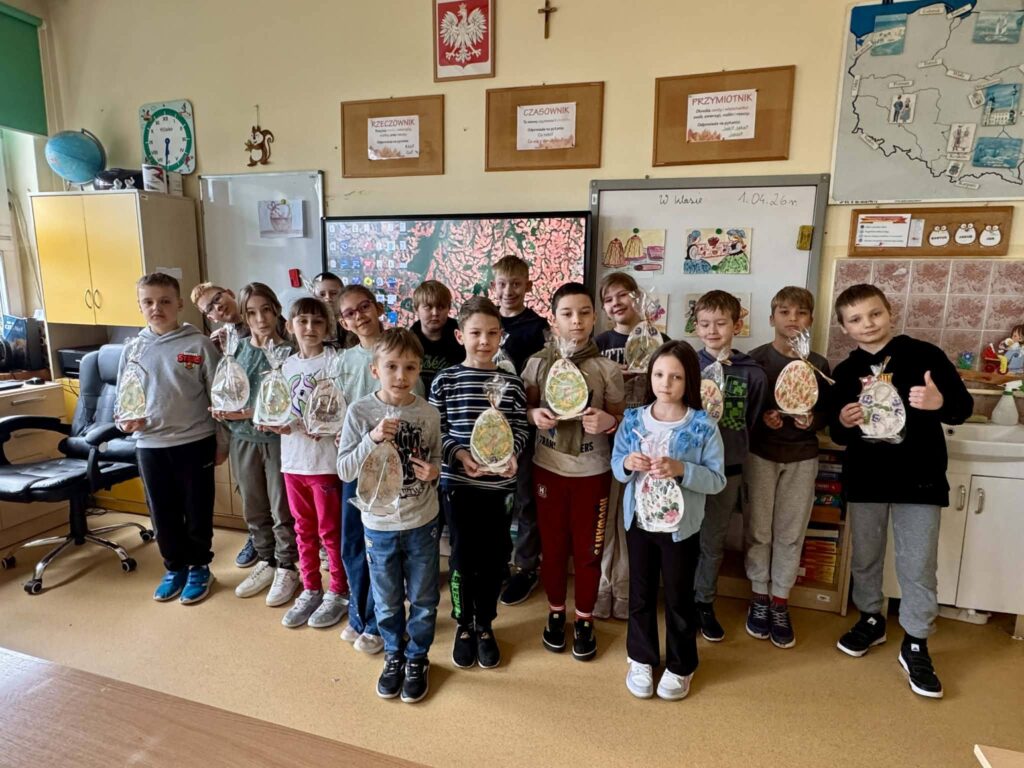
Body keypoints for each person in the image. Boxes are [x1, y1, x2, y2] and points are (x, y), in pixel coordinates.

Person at [829, 283, 972, 699]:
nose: (868, 324)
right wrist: (843, 420)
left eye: (875, 314)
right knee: (866, 557)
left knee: (918, 563)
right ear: (844, 328)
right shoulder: (845, 371)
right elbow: (838, 433)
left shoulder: (924, 355)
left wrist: (938, 402)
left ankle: (916, 641)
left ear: (889, 312)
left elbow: (961, 408)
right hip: (866, 480)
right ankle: (871, 619)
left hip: (918, 479)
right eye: (856, 319)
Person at [612, 340, 725, 700]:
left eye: (676, 376)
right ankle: (640, 657)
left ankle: (681, 665)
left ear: (689, 380)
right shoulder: (633, 419)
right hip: (639, 524)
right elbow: (617, 464)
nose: (666, 383)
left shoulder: (703, 426)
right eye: (659, 374)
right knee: (640, 593)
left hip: (680, 529)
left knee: (678, 597)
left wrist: (682, 469)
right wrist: (627, 463)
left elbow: (717, 480)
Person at [337, 329, 442, 704]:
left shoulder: (428, 413)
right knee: (387, 599)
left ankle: (418, 657)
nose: (401, 375)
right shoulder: (360, 412)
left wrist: (434, 472)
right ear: (375, 370)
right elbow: (345, 470)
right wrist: (372, 437)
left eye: (410, 367)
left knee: (424, 598)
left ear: (419, 370)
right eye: (391, 366)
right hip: (378, 526)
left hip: (421, 521)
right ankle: (394, 654)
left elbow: (436, 458)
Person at [522, 282, 625, 660]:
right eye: (567, 313)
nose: (576, 321)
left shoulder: (606, 369)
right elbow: (525, 410)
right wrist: (534, 415)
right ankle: (555, 612)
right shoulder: (537, 363)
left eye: (584, 312)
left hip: (592, 473)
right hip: (548, 469)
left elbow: (622, 420)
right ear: (554, 319)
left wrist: (609, 423)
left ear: (595, 317)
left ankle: (584, 618)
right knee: (552, 549)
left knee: (588, 551)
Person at [429, 297, 529, 670]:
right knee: (462, 557)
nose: (484, 341)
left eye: (491, 333)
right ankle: (463, 625)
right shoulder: (446, 380)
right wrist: (459, 455)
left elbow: (520, 427)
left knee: (495, 557)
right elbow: (436, 430)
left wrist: (513, 454)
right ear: (460, 336)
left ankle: (485, 624)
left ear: (501, 336)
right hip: (459, 484)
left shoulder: (512, 383)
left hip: (499, 488)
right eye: (475, 333)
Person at [120, 272, 227, 605]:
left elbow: (220, 397)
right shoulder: (133, 349)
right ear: (139, 306)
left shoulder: (199, 345)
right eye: (148, 302)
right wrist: (124, 423)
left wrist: (222, 442)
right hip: (150, 445)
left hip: (195, 441)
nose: (157, 308)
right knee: (162, 513)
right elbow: (124, 399)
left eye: (165, 301)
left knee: (197, 509)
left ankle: (199, 567)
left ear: (179, 304)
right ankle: (175, 567)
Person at [335, 285, 424, 654]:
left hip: (394, 469)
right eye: (349, 313)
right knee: (354, 544)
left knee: (385, 551)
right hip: (358, 460)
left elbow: (417, 412)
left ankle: (376, 623)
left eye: (364, 307)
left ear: (378, 308)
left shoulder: (401, 351)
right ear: (343, 322)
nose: (359, 316)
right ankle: (359, 616)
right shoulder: (344, 360)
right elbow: (337, 409)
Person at [744, 287, 831, 648]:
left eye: (801, 313)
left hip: (802, 457)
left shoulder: (818, 364)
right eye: (784, 312)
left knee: (791, 533)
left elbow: (826, 413)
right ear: (771, 318)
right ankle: (759, 597)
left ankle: (780, 600)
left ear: (811, 319)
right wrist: (764, 419)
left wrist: (812, 420)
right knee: (759, 530)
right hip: (761, 455)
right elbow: (744, 412)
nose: (792, 319)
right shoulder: (755, 360)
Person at [210, 282, 300, 609]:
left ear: (276, 311)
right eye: (251, 313)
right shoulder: (237, 351)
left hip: (278, 442)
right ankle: (266, 559)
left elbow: (292, 402)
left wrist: (251, 412)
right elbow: (230, 389)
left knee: (281, 507)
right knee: (253, 505)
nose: (260, 319)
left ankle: (287, 565)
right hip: (243, 440)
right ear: (244, 317)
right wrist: (223, 409)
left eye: (266, 310)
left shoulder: (291, 353)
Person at [265, 297, 349, 630]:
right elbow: (276, 408)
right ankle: (311, 587)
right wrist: (273, 422)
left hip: (325, 463)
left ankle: (338, 590)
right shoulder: (283, 366)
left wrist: (328, 426)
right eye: (302, 321)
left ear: (328, 327)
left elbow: (344, 410)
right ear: (289, 326)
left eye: (317, 322)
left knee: (330, 531)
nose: (310, 328)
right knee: (302, 529)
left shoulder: (336, 363)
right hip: (292, 462)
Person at [692, 290, 766, 642]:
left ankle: (704, 602)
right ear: (696, 326)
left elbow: (753, 420)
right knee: (682, 537)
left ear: (737, 325)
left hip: (727, 468)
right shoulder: (686, 366)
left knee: (713, 539)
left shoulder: (752, 372)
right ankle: (679, 598)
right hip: (686, 468)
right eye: (705, 323)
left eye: (721, 323)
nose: (712, 330)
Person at [594, 271, 668, 620]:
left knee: (637, 520)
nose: (616, 303)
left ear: (637, 297)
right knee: (606, 520)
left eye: (623, 295)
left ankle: (627, 591)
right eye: (608, 299)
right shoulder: (599, 343)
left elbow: (671, 390)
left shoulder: (660, 340)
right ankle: (604, 586)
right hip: (608, 444)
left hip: (650, 446)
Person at [491, 255, 550, 607]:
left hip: (525, 427)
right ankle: (498, 563)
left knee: (526, 499)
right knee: (496, 500)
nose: (509, 290)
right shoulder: (486, 321)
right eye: (502, 283)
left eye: (516, 284)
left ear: (528, 285)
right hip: (490, 431)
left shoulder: (537, 328)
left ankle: (527, 567)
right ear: (493, 286)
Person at [190, 280, 257, 569]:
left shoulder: (263, 320)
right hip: (240, 428)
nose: (217, 308)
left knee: (280, 494)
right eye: (209, 309)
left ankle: (285, 550)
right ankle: (257, 538)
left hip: (271, 425)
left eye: (218, 299)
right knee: (249, 490)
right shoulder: (224, 339)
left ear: (230, 292)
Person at [411, 279, 463, 394]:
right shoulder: (408, 342)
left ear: (448, 308)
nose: (435, 313)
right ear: (416, 309)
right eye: (428, 307)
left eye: (441, 307)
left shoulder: (462, 338)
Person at [311, 271, 356, 349]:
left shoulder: (353, 320)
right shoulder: (309, 324)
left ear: (342, 294)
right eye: (322, 294)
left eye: (334, 293)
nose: (328, 298)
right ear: (314, 297)